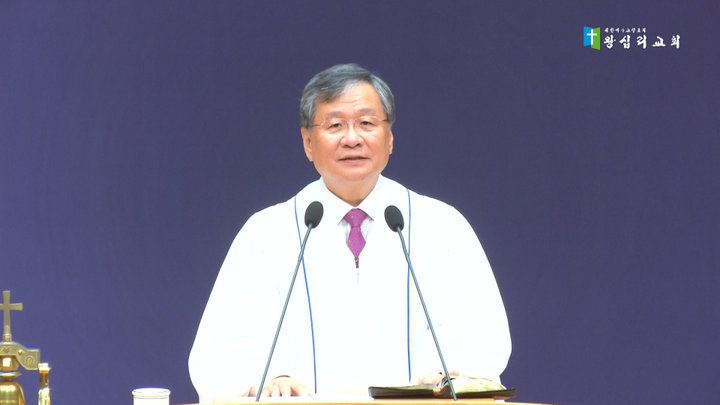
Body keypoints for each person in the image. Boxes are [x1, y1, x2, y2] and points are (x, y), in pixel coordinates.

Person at [188, 63, 511, 402]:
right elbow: (226, 347)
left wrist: (446, 372)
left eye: (367, 123)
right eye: (335, 125)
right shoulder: (266, 234)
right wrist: (270, 377)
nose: (352, 138)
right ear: (308, 142)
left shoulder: (442, 227)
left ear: (389, 139)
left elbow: (479, 333)